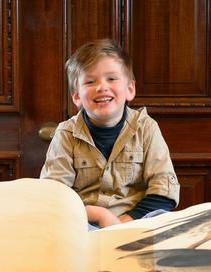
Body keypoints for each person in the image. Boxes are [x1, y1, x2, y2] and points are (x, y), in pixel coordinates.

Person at [40, 38, 179, 228]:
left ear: (130, 89)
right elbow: (54, 197)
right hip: (84, 222)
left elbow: (164, 192)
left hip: (138, 221)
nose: (101, 87)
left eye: (111, 79)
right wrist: (99, 215)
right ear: (77, 96)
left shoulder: (146, 128)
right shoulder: (66, 134)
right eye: (90, 81)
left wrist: (122, 224)